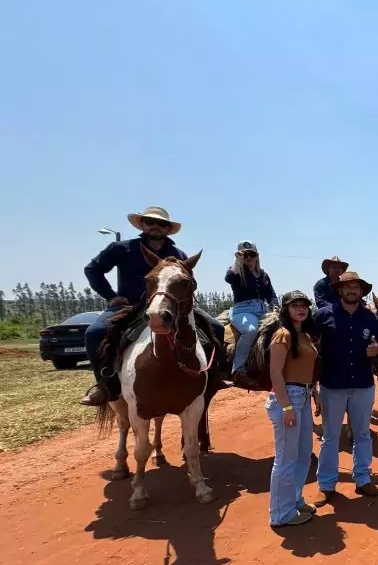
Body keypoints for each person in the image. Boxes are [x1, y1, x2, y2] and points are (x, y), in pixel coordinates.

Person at [81, 206, 225, 406]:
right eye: (150, 222)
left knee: (216, 328)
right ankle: (106, 386)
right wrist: (111, 296)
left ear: (168, 229)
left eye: (162, 223)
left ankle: (214, 376)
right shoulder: (122, 249)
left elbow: (191, 283)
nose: (155, 226)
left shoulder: (177, 253)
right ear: (142, 225)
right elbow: (93, 269)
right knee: (93, 333)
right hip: (129, 305)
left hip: (170, 306)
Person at [313, 270, 378, 503]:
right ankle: (326, 485)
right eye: (348, 287)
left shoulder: (369, 318)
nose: (352, 290)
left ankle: (363, 479)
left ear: (361, 291)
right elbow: (311, 347)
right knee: (330, 437)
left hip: (362, 385)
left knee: (363, 434)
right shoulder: (323, 315)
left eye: (356, 287)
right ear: (340, 290)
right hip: (332, 386)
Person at [265, 291, 319, 527]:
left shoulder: (304, 335)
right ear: (286, 309)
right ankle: (280, 514)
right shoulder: (282, 335)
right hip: (288, 398)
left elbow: (307, 368)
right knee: (285, 459)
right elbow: (275, 373)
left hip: (304, 396)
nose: (301, 309)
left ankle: (294, 499)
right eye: (295, 305)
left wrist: (314, 393)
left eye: (304, 305)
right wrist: (286, 406)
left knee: (304, 454)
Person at [225, 241, 278, 379]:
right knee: (250, 331)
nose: (248, 257)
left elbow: (271, 294)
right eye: (245, 254)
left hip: (264, 310)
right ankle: (238, 368)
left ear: (257, 256)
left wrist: (276, 307)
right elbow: (229, 278)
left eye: (251, 254)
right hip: (243, 310)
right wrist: (238, 260)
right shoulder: (236, 271)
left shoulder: (263, 275)